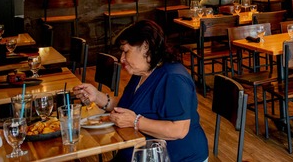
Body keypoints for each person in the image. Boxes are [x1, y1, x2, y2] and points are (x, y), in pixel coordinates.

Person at [73, 20, 208, 162]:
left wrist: (135, 121)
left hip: (176, 156)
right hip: (140, 152)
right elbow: (130, 105)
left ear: (145, 46)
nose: (122, 58)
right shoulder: (142, 73)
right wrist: (98, 97)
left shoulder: (173, 78)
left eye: (126, 51)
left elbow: (179, 130)